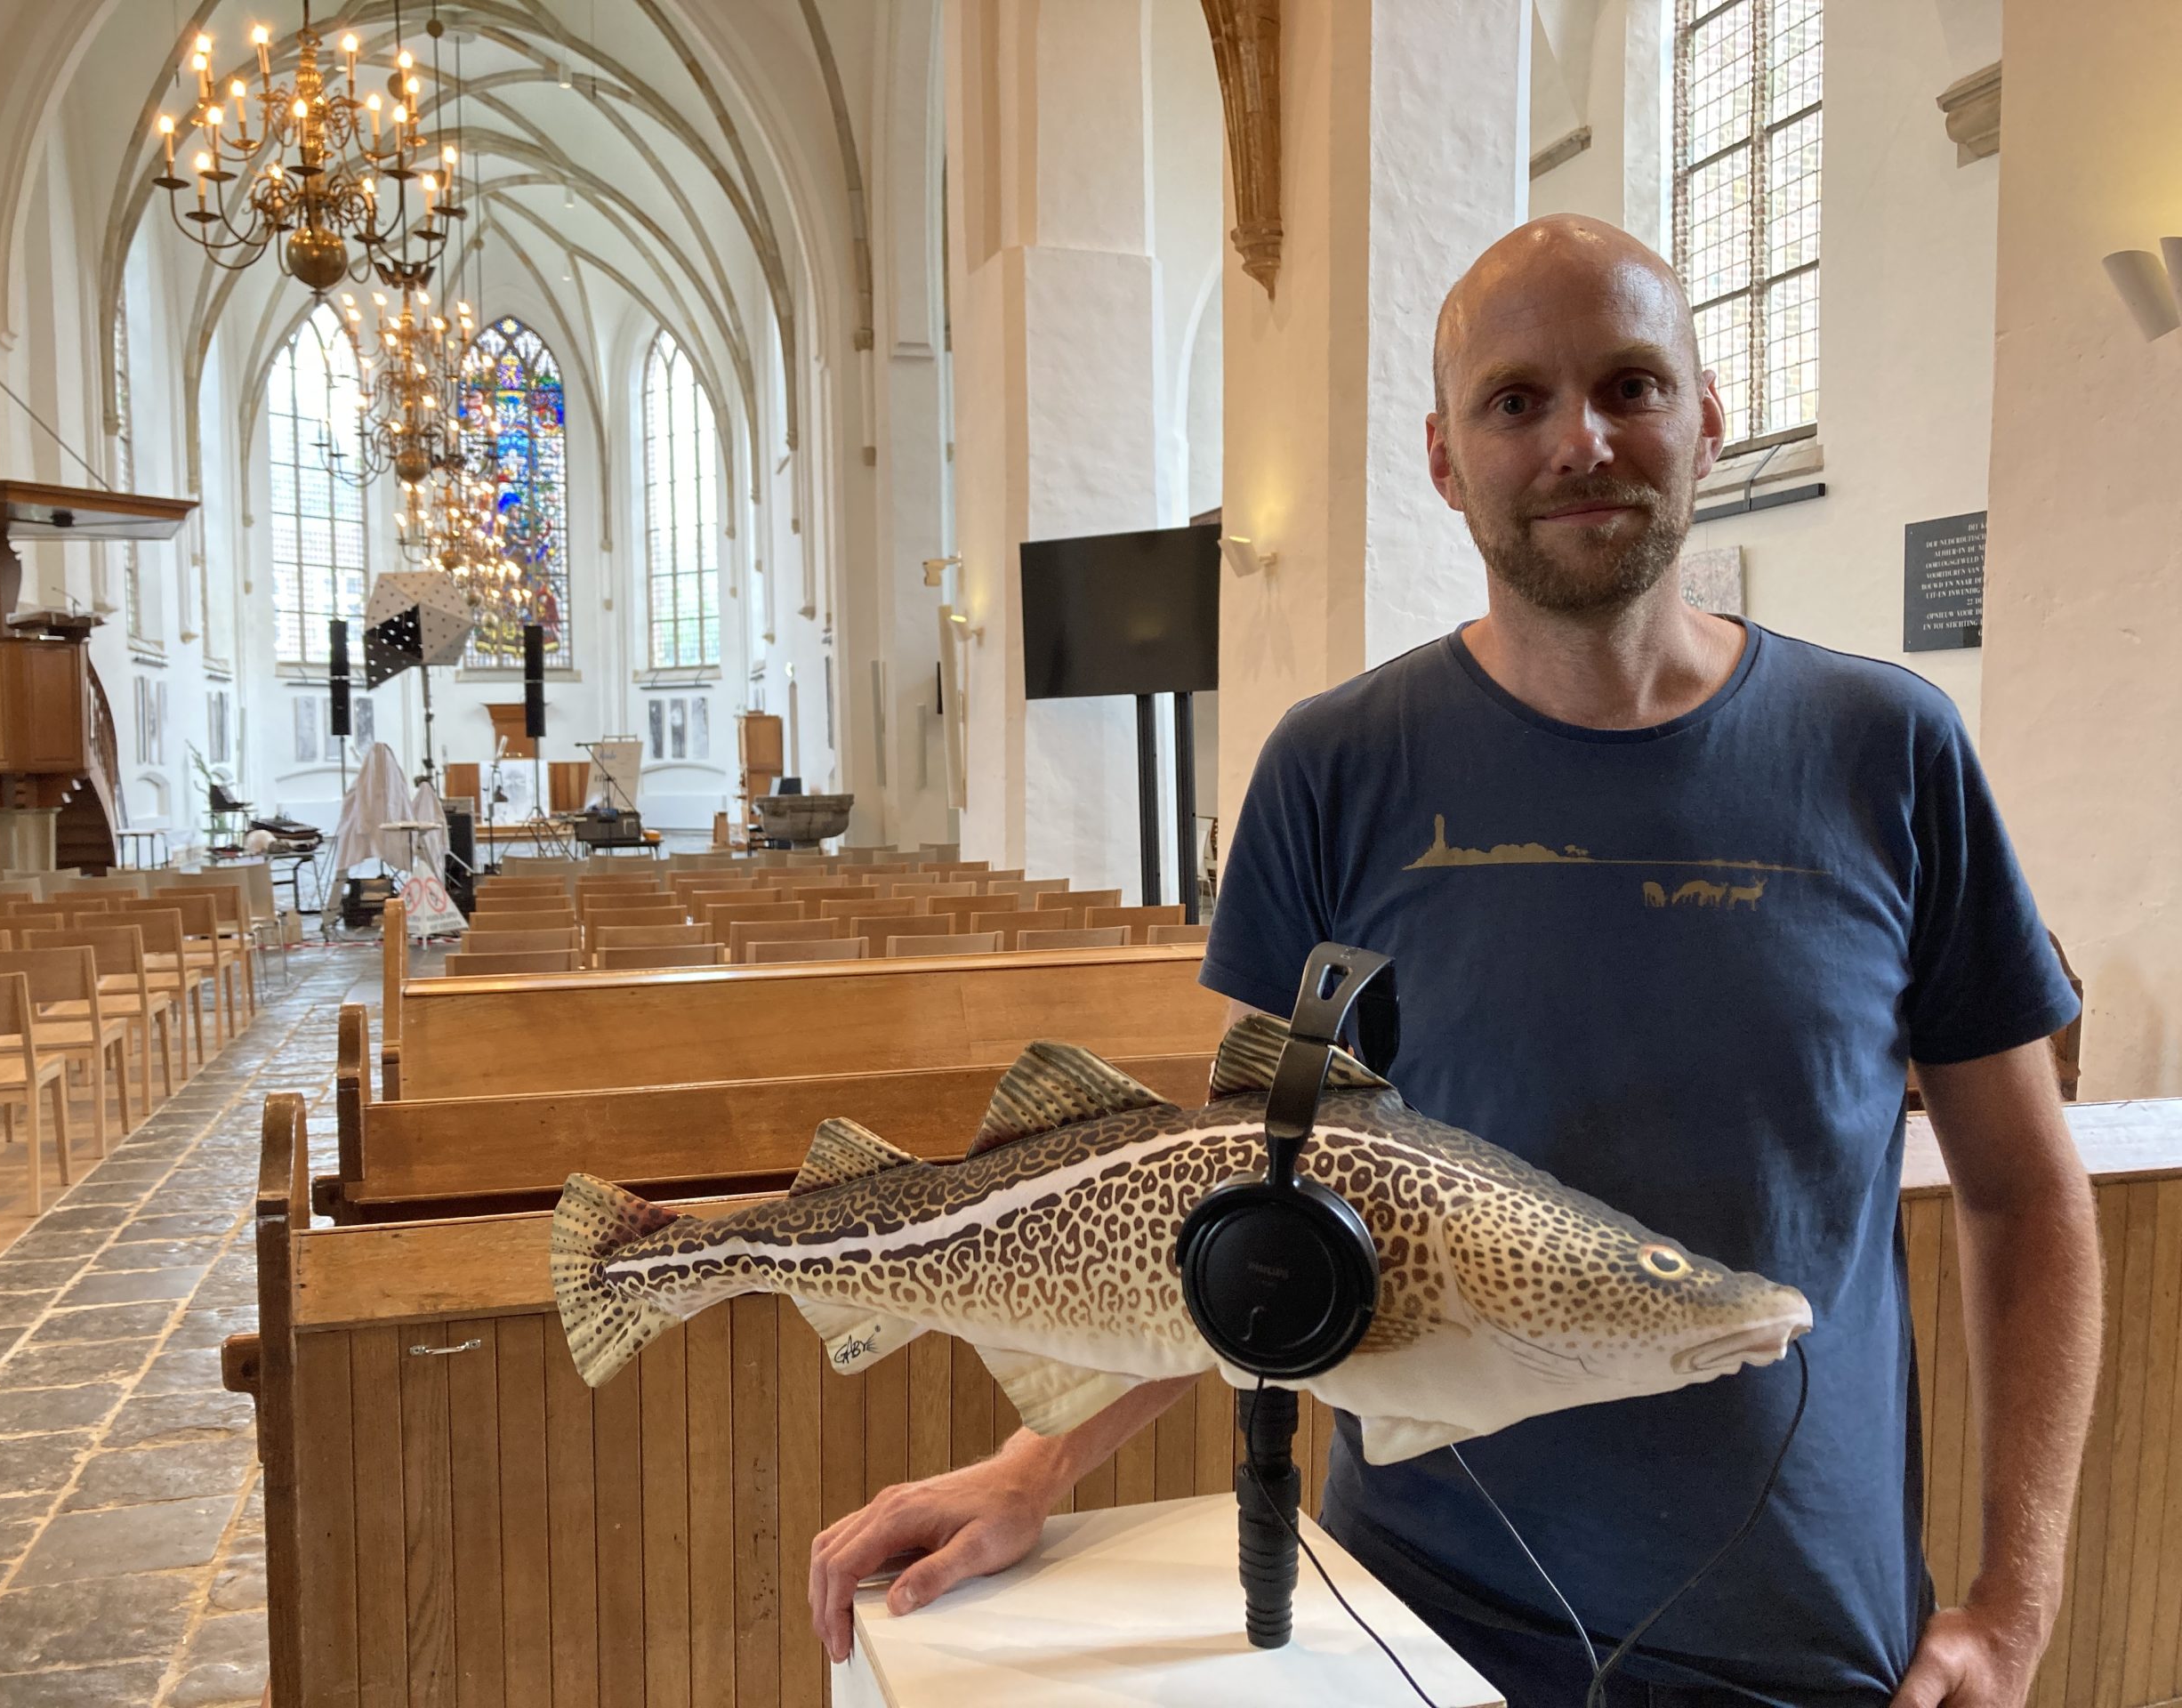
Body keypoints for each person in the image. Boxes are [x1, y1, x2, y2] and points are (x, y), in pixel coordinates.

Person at [808, 215, 2101, 1708]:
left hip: (1812, 1640)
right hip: (1412, 1635)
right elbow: (1242, 1211)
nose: (1581, 443)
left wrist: (2018, 1599)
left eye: (1630, 385)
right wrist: (1035, 1470)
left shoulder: (1890, 752)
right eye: (1517, 401)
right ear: (1443, 457)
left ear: (1708, 417)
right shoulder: (1336, 770)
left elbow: (2024, 1191)